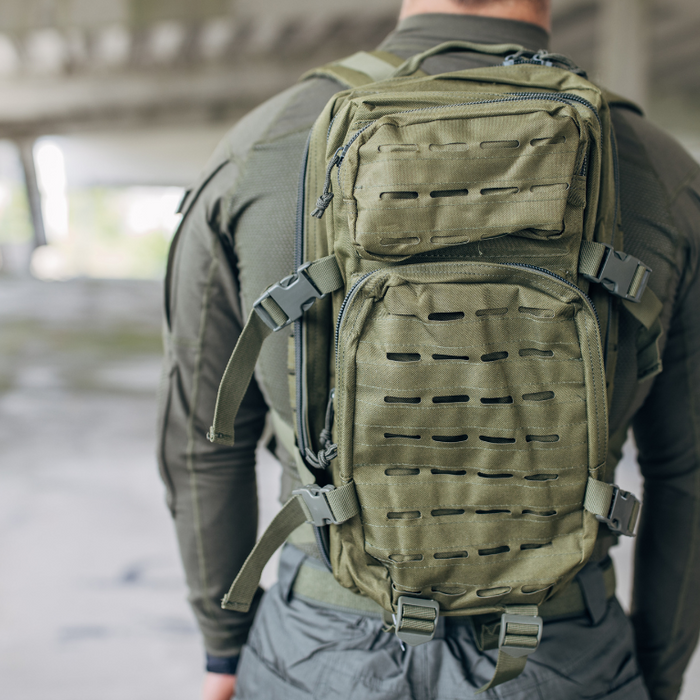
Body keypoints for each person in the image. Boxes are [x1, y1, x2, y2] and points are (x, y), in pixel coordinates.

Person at [157, 1, 700, 698]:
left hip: (319, 648)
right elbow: (685, 469)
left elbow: (202, 440)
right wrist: (655, 669)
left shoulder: (258, 149)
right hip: (563, 653)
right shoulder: (662, 169)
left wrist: (222, 644)